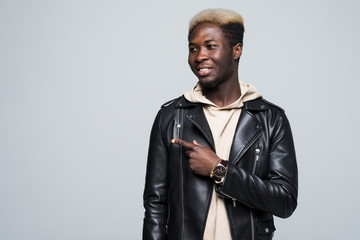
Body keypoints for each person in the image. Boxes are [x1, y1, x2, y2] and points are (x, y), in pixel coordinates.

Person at [143, 8, 298, 240]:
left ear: (237, 50)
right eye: (193, 48)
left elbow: (285, 201)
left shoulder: (270, 119)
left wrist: (220, 170)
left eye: (210, 46)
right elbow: (156, 204)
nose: (199, 56)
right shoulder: (171, 117)